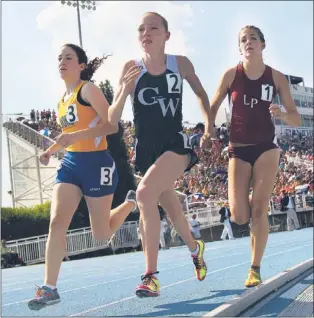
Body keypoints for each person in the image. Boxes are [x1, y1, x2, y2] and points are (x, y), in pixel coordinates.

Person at [109, 12, 219, 298]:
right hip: (146, 150)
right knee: (171, 207)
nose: (146, 33)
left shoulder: (179, 63)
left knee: (144, 194)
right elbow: (113, 117)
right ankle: (196, 249)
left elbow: (201, 93)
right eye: (141, 29)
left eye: (154, 28)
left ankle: (151, 276)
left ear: (166, 35)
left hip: (175, 143)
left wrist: (209, 125)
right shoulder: (131, 67)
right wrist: (123, 90)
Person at [28, 43, 137, 310]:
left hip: (97, 164)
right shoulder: (61, 101)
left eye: (68, 58)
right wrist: (51, 151)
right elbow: (68, 136)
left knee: (101, 234)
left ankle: (130, 204)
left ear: (81, 65)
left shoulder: (87, 89)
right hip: (72, 163)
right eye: (59, 58)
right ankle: (49, 288)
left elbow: (111, 125)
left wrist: (74, 137)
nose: (62, 62)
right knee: (56, 222)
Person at [209, 25, 301, 287]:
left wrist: (282, 113)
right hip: (238, 149)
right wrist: (209, 129)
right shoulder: (230, 75)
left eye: (253, 39)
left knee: (259, 209)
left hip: (266, 147)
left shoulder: (277, 78)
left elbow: (294, 117)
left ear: (263, 44)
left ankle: (255, 268)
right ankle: (250, 197)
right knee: (239, 216)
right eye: (243, 40)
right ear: (240, 48)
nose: (248, 42)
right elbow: (213, 105)